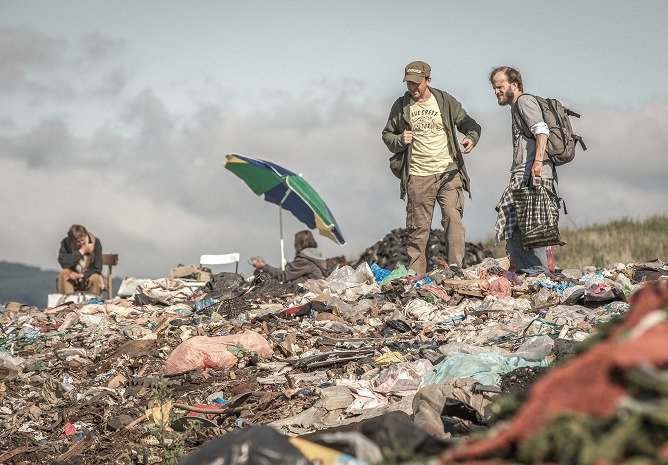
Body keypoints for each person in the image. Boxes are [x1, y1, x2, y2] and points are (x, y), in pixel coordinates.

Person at [382, 60, 481, 275]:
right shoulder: (401, 106)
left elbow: (468, 122)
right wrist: (400, 139)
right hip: (418, 175)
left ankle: (455, 270)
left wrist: (471, 137)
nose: (413, 87)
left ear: (428, 80)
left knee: (453, 219)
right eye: (409, 83)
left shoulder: (444, 101)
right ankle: (416, 277)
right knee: (418, 230)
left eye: (417, 83)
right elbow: (387, 135)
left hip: (448, 172)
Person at [490, 66, 555, 272]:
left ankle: (540, 276)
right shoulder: (515, 107)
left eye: (500, 86)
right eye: (494, 87)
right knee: (515, 227)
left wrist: (537, 162)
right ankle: (531, 274)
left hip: (533, 176)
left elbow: (541, 130)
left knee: (534, 231)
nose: (496, 91)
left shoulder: (524, 101)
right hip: (523, 175)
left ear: (514, 84)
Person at [252, 230, 327, 284]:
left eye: (296, 242)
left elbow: (284, 276)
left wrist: (264, 266)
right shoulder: (314, 257)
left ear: (300, 243)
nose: (294, 245)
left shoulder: (305, 260)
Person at [57, 224, 104, 294]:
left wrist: (82, 275)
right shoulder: (65, 243)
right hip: (72, 273)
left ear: (85, 235)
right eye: (77, 242)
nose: (81, 243)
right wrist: (82, 251)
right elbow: (64, 263)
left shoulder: (96, 243)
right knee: (63, 273)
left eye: (82, 240)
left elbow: (97, 268)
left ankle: (93, 302)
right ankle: (68, 300)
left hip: (89, 275)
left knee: (96, 278)